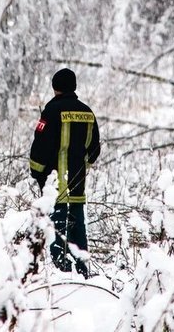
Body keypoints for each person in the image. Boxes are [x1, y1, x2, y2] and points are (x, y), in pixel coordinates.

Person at [29, 68, 101, 277]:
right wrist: (81, 165)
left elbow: (40, 146)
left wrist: (38, 174)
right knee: (78, 225)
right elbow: (94, 149)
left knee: (57, 226)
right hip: (78, 182)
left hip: (55, 184)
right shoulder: (87, 112)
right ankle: (82, 270)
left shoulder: (50, 112)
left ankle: (61, 272)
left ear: (55, 87)